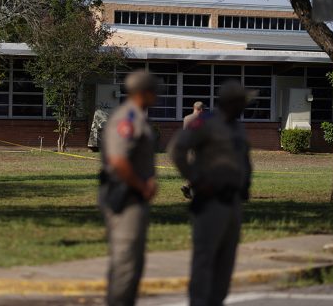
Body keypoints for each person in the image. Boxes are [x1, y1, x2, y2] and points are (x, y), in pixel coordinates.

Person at [168, 80, 254, 306]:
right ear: (230, 102)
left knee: (226, 260)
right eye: (241, 102)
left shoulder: (238, 126)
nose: (244, 106)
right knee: (205, 258)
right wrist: (195, 179)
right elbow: (177, 149)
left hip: (233, 201)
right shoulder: (206, 122)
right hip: (211, 200)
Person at [99, 70, 159, 306]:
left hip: (134, 198)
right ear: (144, 92)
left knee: (133, 262)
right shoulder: (127, 118)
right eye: (154, 90)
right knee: (125, 262)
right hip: (126, 198)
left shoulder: (137, 116)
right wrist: (142, 185)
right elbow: (118, 161)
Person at [181, 101, 205, 199]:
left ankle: (189, 188)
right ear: (202, 109)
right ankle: (188, 187)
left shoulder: (186, 118)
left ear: (193, 107)